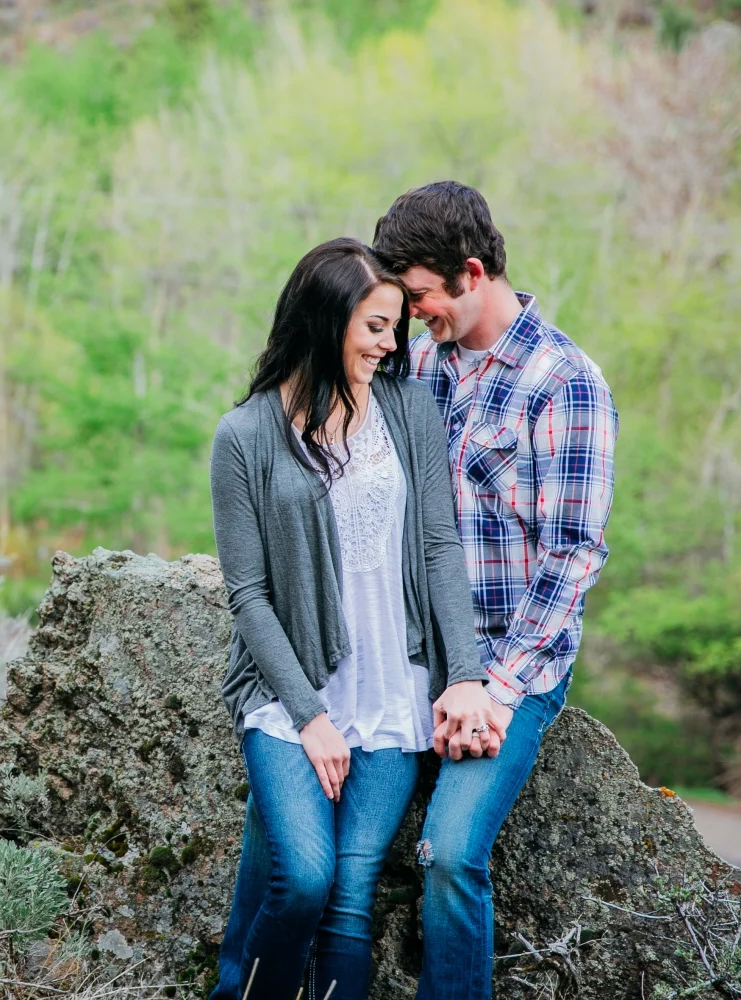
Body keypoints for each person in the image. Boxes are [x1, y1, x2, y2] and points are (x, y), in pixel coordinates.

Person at [208, 238, 485, 1000]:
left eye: (395, 326)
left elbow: (437, 547)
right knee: (301, 878)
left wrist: (462, 673)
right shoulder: (246, 437)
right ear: (326, 322)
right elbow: (248, 596)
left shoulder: (405, 407)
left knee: (350, 899)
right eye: (373, 328)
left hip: (392, 693)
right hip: (290, 701)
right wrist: (309, 717)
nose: (390, 344)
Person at [369, 181, 618, 1000]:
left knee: (447, 855)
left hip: (515, 663)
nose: (413, 317)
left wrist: (494, 689)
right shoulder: (421, 367)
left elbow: (574, 554)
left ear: (471, 273)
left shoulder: (564, 382)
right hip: (418, 652)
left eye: (420, 298)